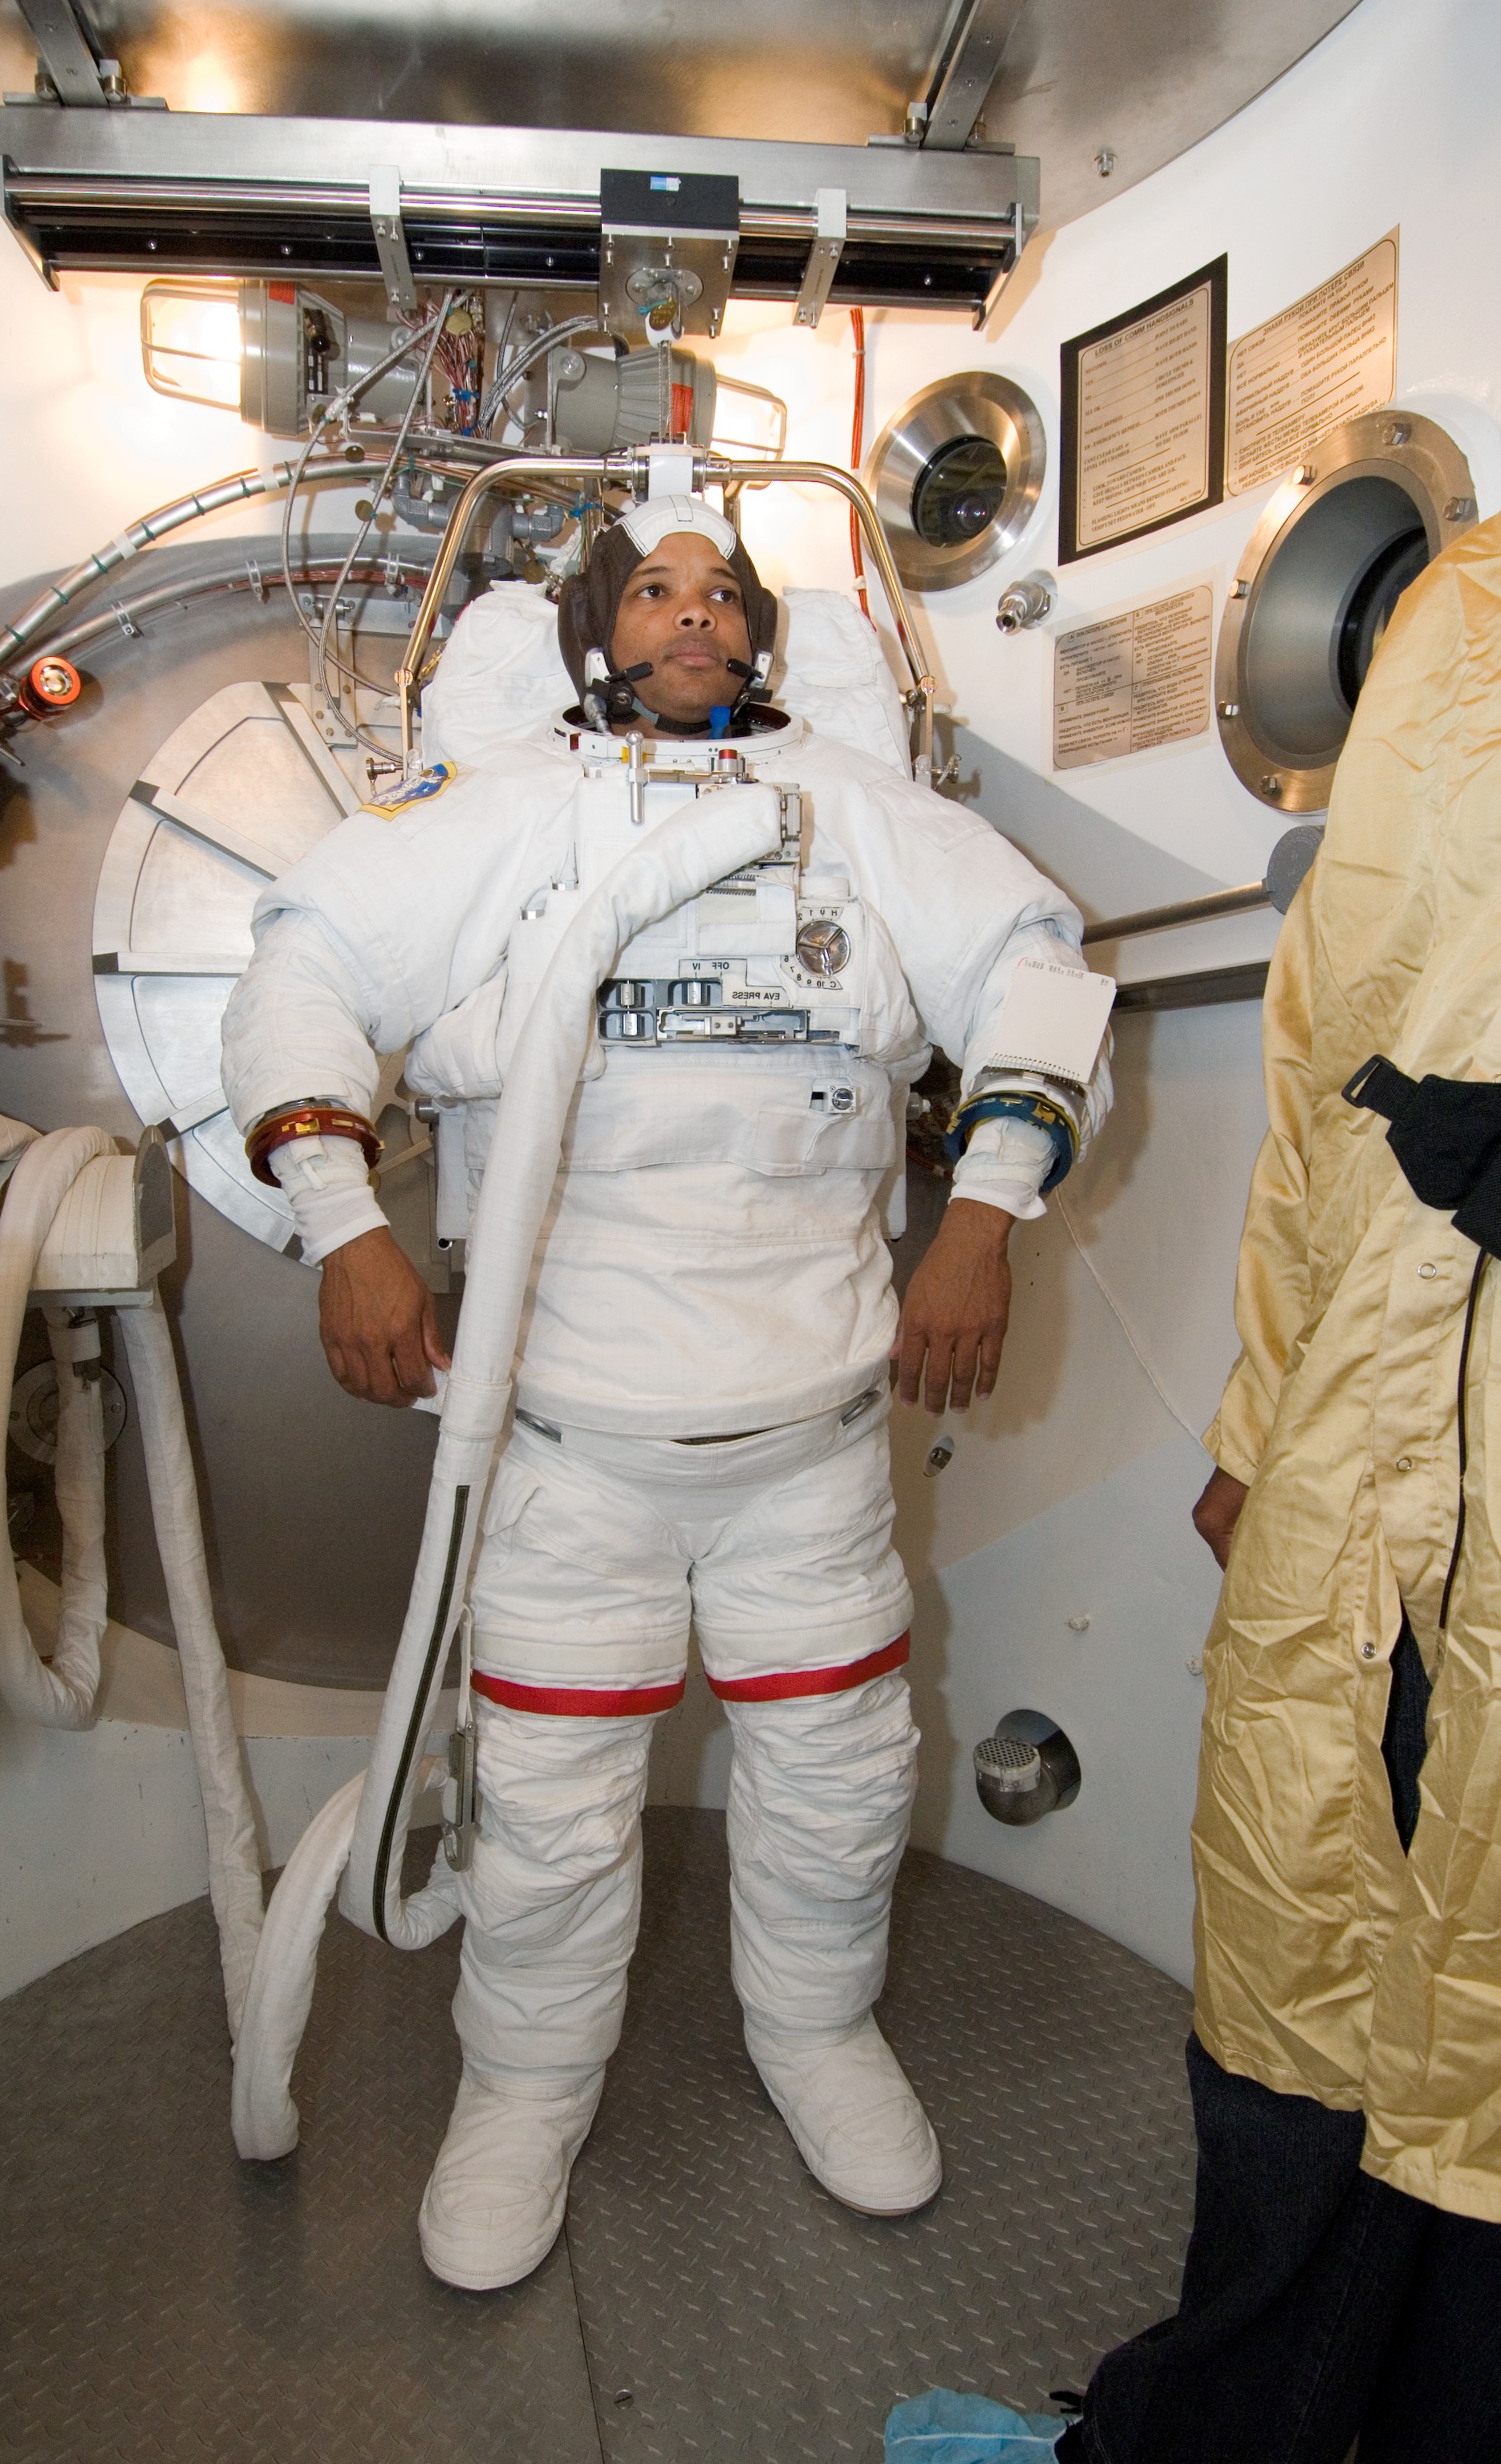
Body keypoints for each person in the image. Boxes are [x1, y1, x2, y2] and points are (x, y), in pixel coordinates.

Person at [221, 492, 1110, 2292]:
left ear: (763, 638)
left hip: (810, 1444)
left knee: (841, 1774)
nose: (690, 616)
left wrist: (985, 1215)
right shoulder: (497, 820)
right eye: (652, 591)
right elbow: (302, 967)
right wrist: (339, 1220)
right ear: (595, 636)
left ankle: (817, 2036)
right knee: (546, 1807)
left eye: (721, 595)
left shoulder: (864, 816)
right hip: (568, 1442)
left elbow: (1032, 975)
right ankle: (525, 2092)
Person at [984, 514, 1501, 2464]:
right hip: (1372, 1421)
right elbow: (1324, 1065)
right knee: (1305, 1957)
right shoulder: (1465, 612)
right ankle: (1212, 2438)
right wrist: (1258, 1425)